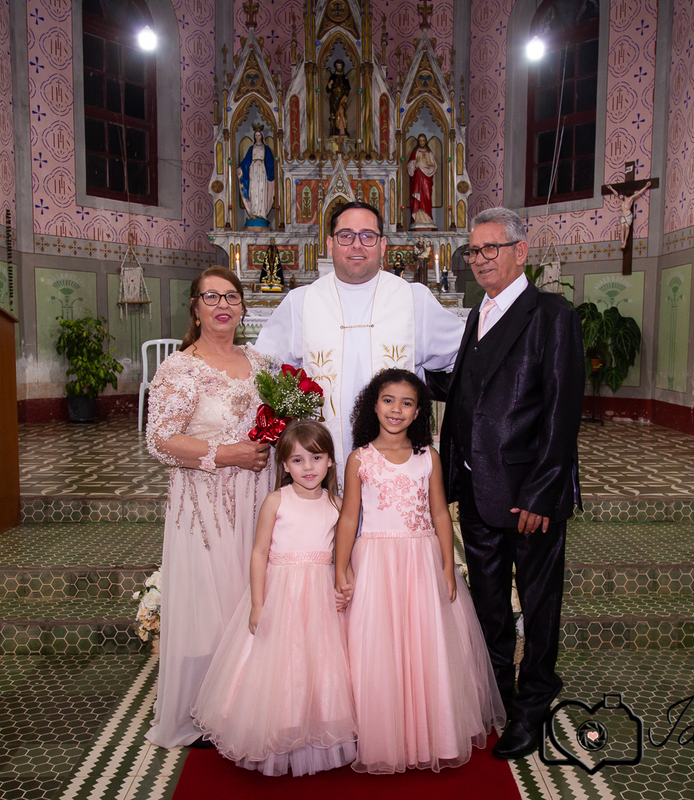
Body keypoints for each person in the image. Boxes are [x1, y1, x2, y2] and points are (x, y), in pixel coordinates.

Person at [439, 206, 585, 759]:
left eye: (490, 248)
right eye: (473, 251)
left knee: (540, 603)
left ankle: (534, 703)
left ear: (521, 252)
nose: (480, 260)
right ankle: (497, 695)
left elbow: (561, 411)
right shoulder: (477, 314)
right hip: (477, 489)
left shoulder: (552, 315)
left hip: (530, 496)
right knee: (490, 602)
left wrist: (543, 492)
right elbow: (470, 388)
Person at [335, 369, 504, 773]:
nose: (396, 409)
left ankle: (432, 731)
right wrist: (340, 568)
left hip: (421, 561)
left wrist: (447, 565)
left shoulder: (428, 457)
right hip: (375, 562)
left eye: (407, 403)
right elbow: (348, 518)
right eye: (388, 400)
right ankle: (384, 732)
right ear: (374, 405)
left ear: (418, 413)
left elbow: (440, 513)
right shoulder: (360, 459)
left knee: (425, 643)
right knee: (379, 645)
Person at [144, 265, 275, 748]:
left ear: (242, 308)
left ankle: (248, 705)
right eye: (211, 297)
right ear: (195, 308)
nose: (223, 305)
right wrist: (227, 454)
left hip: (258, 499)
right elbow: (159, 440)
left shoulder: (262, 363)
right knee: (212, 603)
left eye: (231, 297)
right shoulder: (180, 368)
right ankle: (203, 709)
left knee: (251, 597)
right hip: (206, 504)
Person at [193, 420, 356, 776]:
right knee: (281, 661)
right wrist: (258, 603)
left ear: (330, 460)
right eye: (298, 460)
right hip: (281, 595)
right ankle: (277, 726)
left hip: (319, 599)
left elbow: (345, 554)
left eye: (316, 457)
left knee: (318, 662)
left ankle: (314, 728)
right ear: (284, 465)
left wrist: (344, 585)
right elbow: (259, 553)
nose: (308, 467)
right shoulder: (276, 501)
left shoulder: (336, 504)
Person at [254, 201, 464, 479]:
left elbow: (466, 357)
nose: (357, 244)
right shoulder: (301, 302)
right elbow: (261, 369)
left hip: (398, 467)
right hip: (319, 469)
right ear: (330, 244)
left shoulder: (414, 300)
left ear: (383, 245)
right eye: (346, 235)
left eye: (367, 236)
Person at [238, 125, 275, 226]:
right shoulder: (252, 148)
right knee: (253, 190)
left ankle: (262, 214)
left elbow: (270, 162)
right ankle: (253, 213)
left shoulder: (266, 148)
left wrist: (273, 171)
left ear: (262, 136)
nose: (258, 137)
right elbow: (246, 161)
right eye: (256, 135)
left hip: (262, 171)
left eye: (259, 135)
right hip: (253, 171)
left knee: (262, 190)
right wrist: (241, 168)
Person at [406, 134, 437, 228]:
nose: (422, 142)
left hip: (427, 179)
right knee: (418, 198)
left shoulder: (429, 152)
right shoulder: (415, 152)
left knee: (427, 197)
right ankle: (418, 219)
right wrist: (415, 162)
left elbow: (434, 165)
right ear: (418, 142)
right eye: (420, 141)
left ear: (426, 141)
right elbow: (410, 167)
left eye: (423, 140)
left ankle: (427, 218)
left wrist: (430, 164)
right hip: (418, 178)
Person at [327, 60, 351, 136]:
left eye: (340, 66)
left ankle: (342, 129)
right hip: (334, 99)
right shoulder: (332, 77)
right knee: (334, 114)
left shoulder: (344, 77)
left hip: (342, 98)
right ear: (335, 67)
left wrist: (345, 96)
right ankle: (335, 129)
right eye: (337, 66)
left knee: (342, 112)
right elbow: (328, 90)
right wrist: (329, 85)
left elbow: (347, 88)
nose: (339, 67)